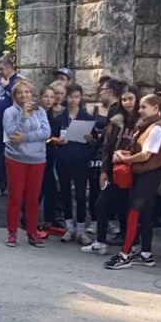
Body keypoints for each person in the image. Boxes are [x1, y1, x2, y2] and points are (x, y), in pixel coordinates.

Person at [104, 94, 161, 269]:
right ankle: (146, 254)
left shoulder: (157, 127)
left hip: (149, 175)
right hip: (144, 174)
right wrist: (124, 154)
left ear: (155, 108)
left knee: (134, 213)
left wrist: (125, 159)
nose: (140, 110)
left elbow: (146, 155)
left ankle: (124, 254)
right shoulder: (148, 126)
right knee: (145, 214)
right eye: (140, 107)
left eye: (144, 107)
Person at [82, 86, 140, 255]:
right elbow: (107, 147)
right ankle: (100, 242)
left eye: (130, 99)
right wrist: (104, 171)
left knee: (128, 208)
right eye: (124, 99)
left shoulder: (143, 122)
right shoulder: (116, 121)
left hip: (135, 170)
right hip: (116, 170)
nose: (127, 103)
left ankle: (132, 244)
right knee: (101, 204)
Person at [3, 79, 50, 247]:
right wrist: (23, 117)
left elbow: (46, 132)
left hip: (37, 159)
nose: (24, 95)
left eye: (27, 92)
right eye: (20, 92)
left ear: (32, 94)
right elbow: (12, 134)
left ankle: (32, 232)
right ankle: (12, 232)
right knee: (15, 197)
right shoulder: (10, 112)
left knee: (32, 198)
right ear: (15, 96)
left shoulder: (40, 111)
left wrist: (25, 137)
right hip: (16, 158)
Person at [50, 83, 95, 245]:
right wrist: (57, 142)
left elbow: (95, 142)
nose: (73, 100)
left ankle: (81, 229)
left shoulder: (87, 118)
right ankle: (70, 227)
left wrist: (90, 140)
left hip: (80, 161)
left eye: (76, 97)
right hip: (63, 160)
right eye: (70, 96)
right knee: (65, 193)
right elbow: (51, 138)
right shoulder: (60, 119)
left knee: (81, 195)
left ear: (81, 98)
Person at [0, 55, 24, 197]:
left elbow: (23, 99)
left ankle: (14, 185)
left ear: (10, 67)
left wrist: (8, 86)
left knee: (13, 156)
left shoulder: (19, 80)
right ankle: (0, 184)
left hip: (13, 124)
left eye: (2, 69)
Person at [38, 86, 63, 235]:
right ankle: (27, 217)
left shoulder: (56, 114)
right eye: (46, 97)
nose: (49, 100)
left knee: (51, 188)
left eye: (51, 97)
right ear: (40, 97)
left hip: (50, 154)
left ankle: (49, 219)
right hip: (36, 154)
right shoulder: (36, 112)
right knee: (37, 189)